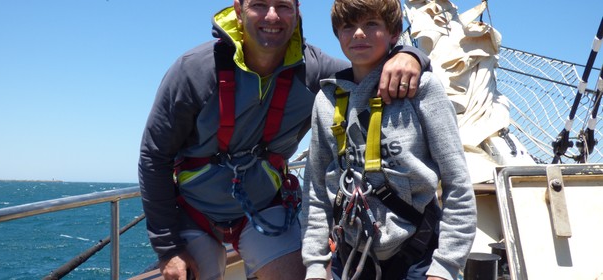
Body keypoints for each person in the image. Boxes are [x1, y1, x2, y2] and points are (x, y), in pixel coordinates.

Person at [138, 0, 430, 279]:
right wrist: (168, 249)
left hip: (264, 208)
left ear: (297, 11)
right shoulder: (195, 70)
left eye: (283, 6)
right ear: (239, 10)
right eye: (260, 5)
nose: (272, 16)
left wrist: (409, 55)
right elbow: (154, 156)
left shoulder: (314, 70)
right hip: (194, 212)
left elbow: (370, 71)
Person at [300, 0, 477, 279]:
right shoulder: (327, 100)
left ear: (394, 33)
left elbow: (457, 182)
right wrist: (314, 264)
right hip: (349, 257)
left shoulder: (422, 90)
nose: (359, 33)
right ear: (338, 34)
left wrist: (446, 267)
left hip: (418, 257)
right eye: (348, 26)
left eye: (371, 24)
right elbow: (316, 189)